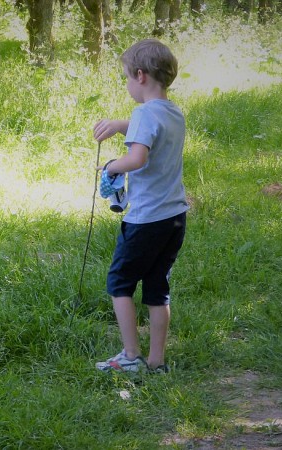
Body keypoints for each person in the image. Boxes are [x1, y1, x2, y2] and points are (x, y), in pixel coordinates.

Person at [92, 38, 188, 374]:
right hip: (175, 217)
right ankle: (156, 362)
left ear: (141, 75)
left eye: (127, 79)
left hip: (146, 219)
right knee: (157, 287)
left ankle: (131, 356)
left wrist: (112, 166)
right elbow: (153, 133)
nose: (129, 86)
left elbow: (138, 156)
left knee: (119, 282)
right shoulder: (173, 112)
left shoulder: (143, 112)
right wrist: (121, 126)